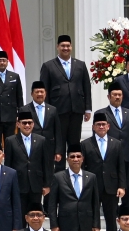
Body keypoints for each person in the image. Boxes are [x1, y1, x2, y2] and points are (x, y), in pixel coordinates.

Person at [39, 35, 92, 169]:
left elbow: (86, 86)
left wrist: (87, 108)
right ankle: (60, 172)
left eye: (68, 46)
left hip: (76, 110)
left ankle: (75, 170)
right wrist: (47, 110)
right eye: (62, 46)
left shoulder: (80, 65)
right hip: (57, 110)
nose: (65, 48)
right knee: (59, 143)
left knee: (74, 142)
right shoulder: (48, 66)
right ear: (57, 47)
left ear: (71, 47)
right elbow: (44, 89)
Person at [81, 112, 125, 231]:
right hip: (92, 187)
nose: (101, 127)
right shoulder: (85, 144)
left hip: (111, 187)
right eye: (98, 125)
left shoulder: (117, 144)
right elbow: (82, 168)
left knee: (111, 218)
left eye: (103, 124)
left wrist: (122, 186)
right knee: (91, 218)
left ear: (108, 126)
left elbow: (121, 167)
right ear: (93, 127)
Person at [4, 109, 50, 216]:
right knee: (20, 216)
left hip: (36, 184)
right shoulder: (10, 141)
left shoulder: (41, 140)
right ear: (18, 124)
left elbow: (45, 164)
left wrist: (47, 184)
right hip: (19, 184)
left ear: (33, 124)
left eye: (30, 123)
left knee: (35, 216)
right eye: (24, 123)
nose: (27, 125)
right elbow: (8, 165)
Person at [98, 85, 129, 186]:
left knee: (128, 183)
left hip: (128, 153)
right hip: (109, 154)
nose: (117, 97)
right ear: (109, 97)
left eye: (119, 95)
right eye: (115, 95)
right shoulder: (101, 113)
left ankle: (127, 202)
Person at [29, 81, 62, 169]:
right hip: (32, 147)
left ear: (45, 93)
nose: (39, 94)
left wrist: (58, 151)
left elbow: (57, 131)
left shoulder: (53, 110)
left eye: (42, 92)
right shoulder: (25, 109)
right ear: (32, 94)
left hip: (49, 148)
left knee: (49, 173)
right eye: (37, 92)